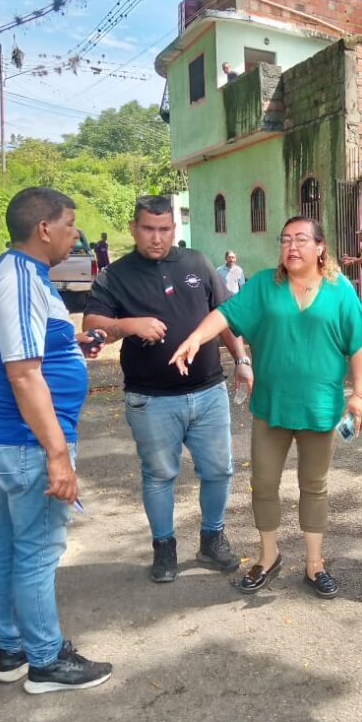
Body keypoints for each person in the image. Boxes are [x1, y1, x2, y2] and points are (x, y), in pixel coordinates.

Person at [169, 215, 362, 599]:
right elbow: (225, 315)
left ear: (320, 247)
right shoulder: (265, 284)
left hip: (319, 408)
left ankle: (314, 564)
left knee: (314, 486)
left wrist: (360, 393)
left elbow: (359, 341)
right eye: (285, 240)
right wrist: (196, 337)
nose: (291, 247)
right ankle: (268, 556)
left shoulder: (340, 288)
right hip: (272, 406)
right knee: (263, 484)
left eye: (300, 240)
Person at [83, 195, 248, 584]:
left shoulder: (196, 263)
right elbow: (91, 324)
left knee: (220, 470)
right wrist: (129, 325)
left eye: (164, 229)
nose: (156, 238)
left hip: (208, 391)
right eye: (148, 229)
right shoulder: (115, 275)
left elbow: (221, 316)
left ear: (174, 229)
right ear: (133, 229)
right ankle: (164, 546)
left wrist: (241, 359)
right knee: (159, 475)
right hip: (151, 398)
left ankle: (212, 537)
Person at [0, 187, 113, 693]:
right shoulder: (16, 278)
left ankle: (13, 649)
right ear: (43, 228)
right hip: (31, 441)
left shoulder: (27, 276)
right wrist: (58, 455)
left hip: (22, 440)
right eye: (69, 223)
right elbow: (22, 374)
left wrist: (71, 342)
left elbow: (31, 345)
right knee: (38, 549)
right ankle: (45, 661)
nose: (75, 233)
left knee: (14, 545)